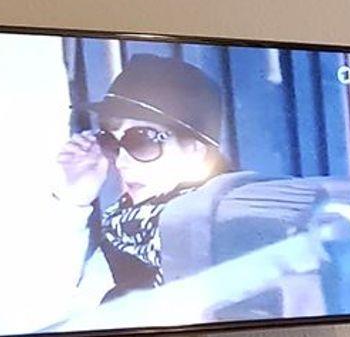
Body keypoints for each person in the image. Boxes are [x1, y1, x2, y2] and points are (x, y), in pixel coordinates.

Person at [53, 54, 234, 297]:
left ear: (195, 150)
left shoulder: (229, 235)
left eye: (141, 140)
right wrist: (74, 201)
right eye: (110, 141)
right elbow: (49, 307)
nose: (121, 162)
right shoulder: (125, 234)